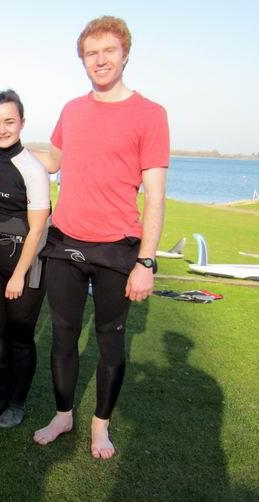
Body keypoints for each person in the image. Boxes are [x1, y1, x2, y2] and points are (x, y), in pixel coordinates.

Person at [32, 16, 169, 458]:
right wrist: (2, 147)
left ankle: (99, 426)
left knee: (110, 339)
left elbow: (156, 196)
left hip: (118, 249)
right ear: (82, 60)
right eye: (92, 53)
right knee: (64, 335)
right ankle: (63, 414)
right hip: (67, 242)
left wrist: (146, 263)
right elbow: (52, 162)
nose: (101, 60)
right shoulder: (72, 110)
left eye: (109, 51)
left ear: (125, 53)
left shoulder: (150, 114)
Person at [0, 90, 51, 428]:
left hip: (26, 264)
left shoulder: (33, 168)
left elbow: (37, 229)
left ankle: (18, 403)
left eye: (9, 121)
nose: (2, 129)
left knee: (20, 336)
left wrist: (19, 274)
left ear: (22, 122)